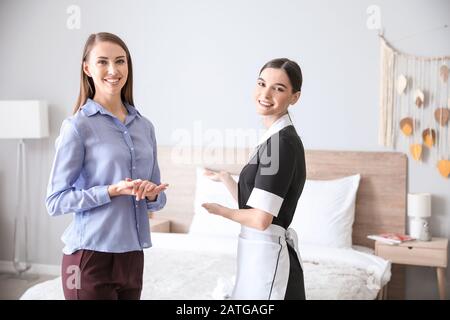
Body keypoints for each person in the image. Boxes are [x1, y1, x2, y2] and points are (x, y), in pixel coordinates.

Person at [46, 32, 168, 300]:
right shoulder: (78, 127)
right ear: (87, 68)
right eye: (103, 62)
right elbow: (55, 201)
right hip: (88, 259)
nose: (113, 70)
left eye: (120, 61)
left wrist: (152, 193)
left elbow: (158, 200)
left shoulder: (145, 127)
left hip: (133, 257)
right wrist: (110, 191)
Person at [202, 58, 306, 300]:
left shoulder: (280, 144)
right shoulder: (273, 139)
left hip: (269, 259)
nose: (265, 93)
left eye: (278, 88)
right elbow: (255, 203)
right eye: (261, 84)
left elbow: (260, 219)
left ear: (295, 97)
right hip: (259, 254)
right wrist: (227, 179)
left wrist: (221, 211)